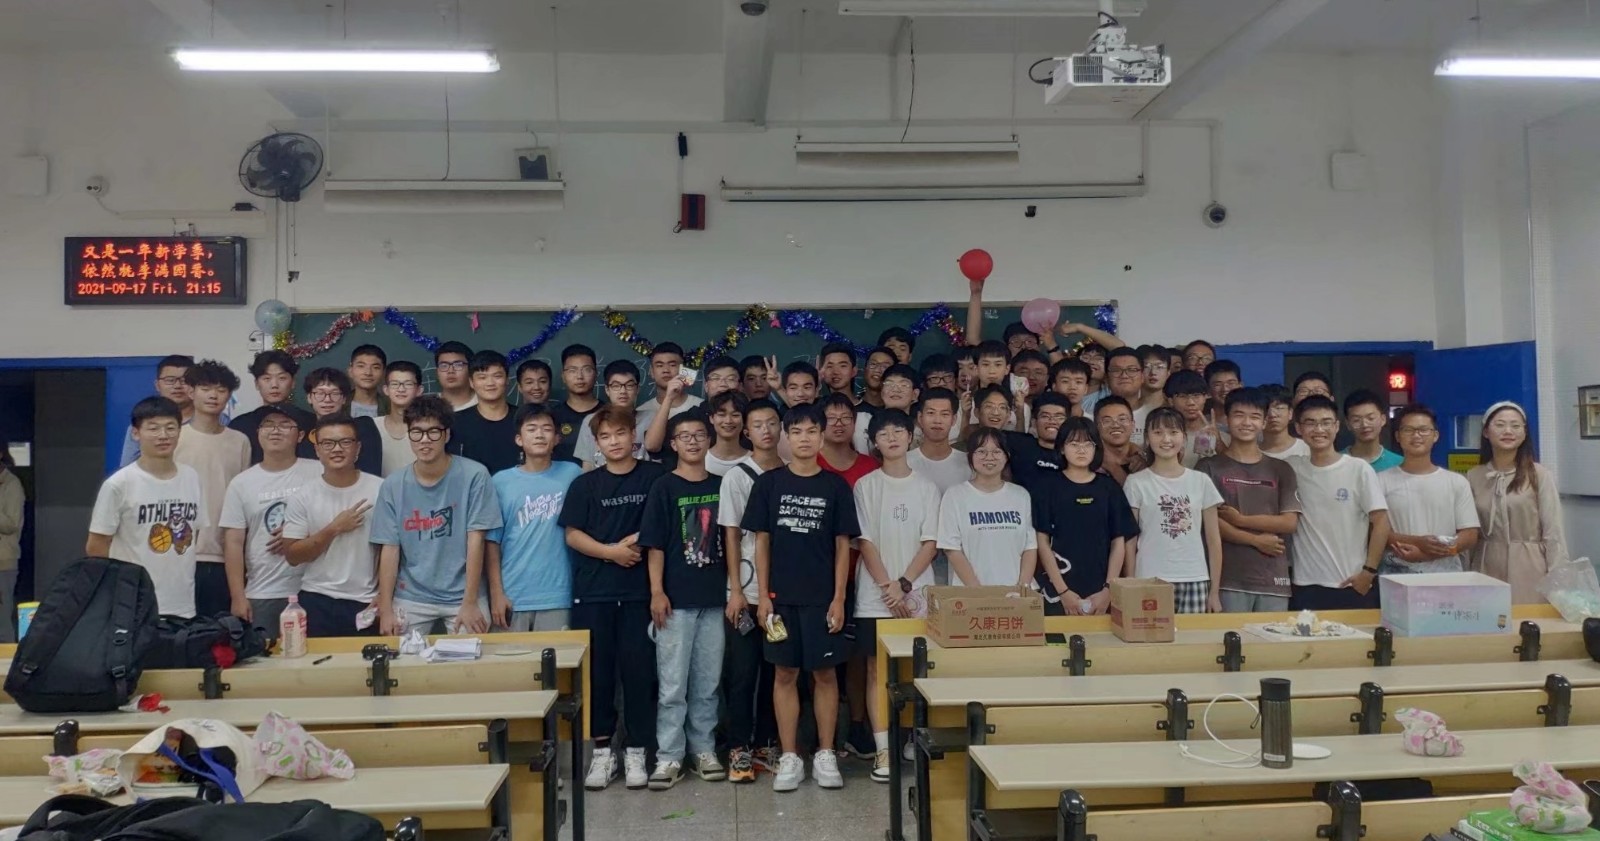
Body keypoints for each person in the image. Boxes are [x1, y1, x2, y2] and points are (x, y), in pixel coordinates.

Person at [743, 402, 859, 792]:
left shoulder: (835, 487)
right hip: (780, 599)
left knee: (825, 675)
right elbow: (761, 543)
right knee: (784, 673)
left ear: (822, 437)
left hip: (822, 599)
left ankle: (825, 753)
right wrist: (763, 596)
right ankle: (790, 755)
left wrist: (839, 598)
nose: (804, 439)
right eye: (797, 432)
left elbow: (843, 546)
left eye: (812, 431)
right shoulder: (769, 484)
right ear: (786, 438)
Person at [560, 405, 667, 791]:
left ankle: (637, 750)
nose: (614, 442)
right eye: (605, 436)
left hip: (640, 595)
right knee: (598, 676)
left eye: (620, 433)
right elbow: (572, 534)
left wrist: (637, 541)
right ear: (597, 443)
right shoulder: (584, 485)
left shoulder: (655, 477)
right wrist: (611, 553)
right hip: (594, 594)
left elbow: (663, 521)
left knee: (640, 674)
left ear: (633, 436)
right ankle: (603, 752)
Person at [640, 411, 728, 789]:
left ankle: (703, 750)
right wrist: (657, 592)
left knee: (707, 683)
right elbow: (655, 545)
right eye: (684, 436)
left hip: (715, 600)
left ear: (709, 440)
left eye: (699, 435)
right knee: (673, 685)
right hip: (675, 602)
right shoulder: (664, 486)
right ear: (673, 444)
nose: (692, 441)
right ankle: (669, 756)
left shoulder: (724, 485)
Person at [852, 409, 939, 782]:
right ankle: (883, 749)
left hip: (916, 592)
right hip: (874, 595)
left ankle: (912, 738)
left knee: (916, 667)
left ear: (910, 436)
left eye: (898, 431)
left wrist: (903, 584)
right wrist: (888, 586)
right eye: (884, 433)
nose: (892, 437)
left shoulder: (927, 487)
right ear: (874, 441)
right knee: (876, 669)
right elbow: (865, 540)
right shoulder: (865, 486)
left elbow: (931, 542)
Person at [373, 395, 501, 636]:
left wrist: (470, 601)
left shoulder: (474, 476)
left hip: (463, 594)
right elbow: (390, 548)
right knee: (401, 656)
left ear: (447, 434)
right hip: (411, 594)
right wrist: (386, 607)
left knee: (472, 656)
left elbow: (476, 541)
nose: (424, 440)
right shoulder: (393, 485)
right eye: (416, 432)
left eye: (433, 432)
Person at [88, 397, 207, 617]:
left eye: (170, 427)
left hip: (182, 603)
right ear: (136, 433)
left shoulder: (191, 477)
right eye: (153, 428)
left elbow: (193, 534)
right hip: (133, 604)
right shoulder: (119, 484)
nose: (163, 435)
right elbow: (96, 546)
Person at [718, 400, 783, 784]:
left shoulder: (791, 472)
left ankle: (766, 745)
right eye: (758, 425)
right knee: (742, 673)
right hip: (745, 589)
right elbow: (730, 534)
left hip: (782, 592)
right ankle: (739, 747)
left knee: (778, 671)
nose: (766, 431)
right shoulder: (737, 476)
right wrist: (736, 591)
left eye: (772, 423)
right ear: (746, 431)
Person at [1194, 388, 1301, 613]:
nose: (1246, 423)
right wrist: (1255, 540)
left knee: (1272, 636)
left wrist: (1241, 520)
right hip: (1227, 579)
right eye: (1239, 415)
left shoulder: (1281, 469)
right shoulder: (1208, 467)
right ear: (1227, 419)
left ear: (1264, 422)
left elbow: (1289, 523)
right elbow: (1208, 522)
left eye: (1254, 417)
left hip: (1274, 579)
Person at [280, 414, 385, 637]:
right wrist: (334, 528)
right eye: (328, 443)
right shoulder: (303, 496)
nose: (337, 449)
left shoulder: (381, 490)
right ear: (317, 450)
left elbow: (394, 549)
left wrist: (385, 595)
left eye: (345, 442)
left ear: (358, 448)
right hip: (316, 599)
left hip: (366, 600)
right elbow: (292, 555)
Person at [220, 405, 320, 635]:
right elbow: (233, 542)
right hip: (263, 591)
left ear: (300, 436)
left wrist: (299, 532)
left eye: (285, 425)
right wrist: (238, 596)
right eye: (268, 425)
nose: (275, 431)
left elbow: (336, 518)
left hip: (312, 589)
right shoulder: (241, 483)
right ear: (258, 433)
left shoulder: (318, 472)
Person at [486, 402, 582, 632]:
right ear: (519, 439)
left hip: (559, 594)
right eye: (531, 429)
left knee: (558, 656)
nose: (539, 434)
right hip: (512, 594)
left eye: (546, 429)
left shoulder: (573, 474)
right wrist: (497, 593)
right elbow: (492, 543)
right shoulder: (500, 482)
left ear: (557, 438)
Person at [1287, 395, 1390, 610]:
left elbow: (1381, 522)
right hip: (1304, 583)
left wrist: (1369, 572)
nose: (1319, 429)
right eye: (1310, 423)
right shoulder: (1291, 468)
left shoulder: (1358, 469)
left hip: (1351, 583)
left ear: (1336, 426)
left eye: (1326, 422)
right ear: (1298, 428)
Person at [1032, 417, 1138, 616]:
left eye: (1088, 444)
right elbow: (1042, 541)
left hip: (1101, 588)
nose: (1081, 450)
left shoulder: (1109, 487)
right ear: (1062, 448)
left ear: (1096, 448)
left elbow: (1118, 541)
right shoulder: (1047, 487)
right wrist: (1063, 592)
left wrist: (1109, 589)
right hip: (1059, 588)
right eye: (1074, 444)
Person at [1123, 407, 1225, 614]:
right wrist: (1131, 583)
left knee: (1192, 636)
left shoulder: (1200, 481)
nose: (1166, 439)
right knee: (1150, 636)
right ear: (1147, 438)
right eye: (1158, 433)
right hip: (1149, 579)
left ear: (1184, 438)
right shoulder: (1135, 482)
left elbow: (1214, 540)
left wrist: (1214, 591)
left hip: (1195, 578)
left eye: (1173, 432)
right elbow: (1130, 541)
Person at [175, 360, 251, 617]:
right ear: (190, 391)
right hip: (180, 554)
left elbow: (243, 499)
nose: (213, 395)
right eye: (205, 388)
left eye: (221, 389)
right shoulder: (175, 438)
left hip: (225, 556)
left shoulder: (240, 441)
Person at [1468, 402, 1566, 603]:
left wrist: (1559, 579)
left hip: (1531, 565)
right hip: (1486, 564)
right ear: (1486, 432)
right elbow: (1469, 532)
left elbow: (1553, 531)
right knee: (1490, 618)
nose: (1508, 431)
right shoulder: (1474, 476)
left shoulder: (1539, 475)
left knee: (1528, 618)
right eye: (1500, 425)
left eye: (1515, 426)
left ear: (1524, 433)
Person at [1380, 404, 1481, 576]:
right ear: (1397, 436)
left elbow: (1470, 534)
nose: (1416, 435)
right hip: (1396, 575)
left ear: (1435, 436)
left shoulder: (1456, 482)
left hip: (1446, 576)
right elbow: (1375, 532)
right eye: (1408, 430)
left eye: (1423, 430)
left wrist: (1427, 554)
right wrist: (1418, 542)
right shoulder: (1380, 480)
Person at [938, 428, 1037, 588]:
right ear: (970, 456)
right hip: (970, 593)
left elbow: (1030, 547)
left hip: (1016, 594)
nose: (989, 457)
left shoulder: (1021, 495)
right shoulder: (955, 495)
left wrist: (1022, 589)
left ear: (1007, 456)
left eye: (997, 452)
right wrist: (980, 593)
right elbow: (951, 548)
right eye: (981, 451)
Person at [230, 351, 313, 466]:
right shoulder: (239, 426)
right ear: (257, 384)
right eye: (267, 378)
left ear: (293, 382)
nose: (274, 385)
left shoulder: (310, 422)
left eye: (282, 378)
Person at [302, 368, 384, 477]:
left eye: (335, 393)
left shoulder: (363, 428)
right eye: (320, 393)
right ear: (309, 398)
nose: (327, 399)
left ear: (344, 398)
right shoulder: (303, 434)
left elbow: (370, 473)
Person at [451, 350, 521, 474]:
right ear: (471, 382)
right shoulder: (456, 422)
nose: (490, 383)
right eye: (482, 377)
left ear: (507, 380)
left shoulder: (524, 419)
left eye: (497, 376)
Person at [120, 355, 195, 467]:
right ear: (157, 385)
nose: (177, 386)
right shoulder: (142, 425)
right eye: (170, 380)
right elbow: (129, 467)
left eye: (185, 381)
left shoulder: (216, 421)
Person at [576, 361, 647, 468]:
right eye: (616, 386)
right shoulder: (591, 421)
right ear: (607, 390)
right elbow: (588, 466)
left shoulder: (652, 419)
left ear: (637, 389)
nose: (623, 391)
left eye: (629, 385)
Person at [640, 343, 705, 459]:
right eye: (659, 365)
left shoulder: (700, 406)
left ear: (683, 370)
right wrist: (669, 398)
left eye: (672, 365)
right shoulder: (642, 411)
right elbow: (651, 447)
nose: (666, 370)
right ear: (651, 372)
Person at [908, 389, 972, 495]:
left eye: (944, 414)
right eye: (931, 413)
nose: (937, 420)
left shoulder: (968, 463)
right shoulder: (905, 463)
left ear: (954, 420)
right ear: (920, 418)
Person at [1005, 394, 1069, 493]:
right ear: (1034, 422)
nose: (1052, 421)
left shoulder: (1074, 454)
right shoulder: (1019, 443)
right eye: (1045, 416)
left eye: (1059, 417)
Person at [853, 365, 919, 454]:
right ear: (881, 391)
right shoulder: (863, 422)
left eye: (904, 385)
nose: (895, 389)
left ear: (915, 394)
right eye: (889, 384)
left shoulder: (923, 431)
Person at [551, 344, 600, 463]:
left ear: (596, 374)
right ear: (563, 376)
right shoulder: (552, 416)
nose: (579, 376)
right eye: (572, 370)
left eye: (586, 369)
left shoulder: (608, 413)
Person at [1165, 370, 1224, 467]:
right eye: (1182, 396)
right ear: (1170, 401)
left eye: (1196, 395)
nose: (1191, 402)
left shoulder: (1223, 438)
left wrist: (1218, 443)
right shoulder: (1164, 438)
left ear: (1205, 397)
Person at [380, 361, 424, 477]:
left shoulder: (428, 429)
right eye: (394, 384)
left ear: (419, 390)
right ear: (386, 389)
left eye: (408, 384)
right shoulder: (372, 426)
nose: (401, 389)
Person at [1343, 390, 1403, 473]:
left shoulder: (1400, 464)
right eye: (1356, 420)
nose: (1364, 425)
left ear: (1383, 419)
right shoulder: (1336, 462)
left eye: (1370, 418)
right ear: (1348, 424)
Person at [1093, 396, 1148, 485]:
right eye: (1107, 421)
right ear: (1096, 427)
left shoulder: (1145, 460)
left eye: (1122, 419)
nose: (1116, 425)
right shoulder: (1090, 462)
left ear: (1133, 425)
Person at [0, 446, 23, 641]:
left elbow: (11, 524)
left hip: (3, 562)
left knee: (2, 619)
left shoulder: (12, 485)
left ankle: (6, 656)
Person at [1098, 348, 1148, 425]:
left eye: (1131, 370)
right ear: (1106, 378)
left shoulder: (1155, 415)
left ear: (1142, 376)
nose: (1124, 376)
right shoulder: (1096, 416)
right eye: (1116, 370)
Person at [706, 391, 750, 477]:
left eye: (735, 415)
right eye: (721, 415)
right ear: (711, 418)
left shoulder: (755, 461)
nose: (728, 421)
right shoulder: (700, 459)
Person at [1259, 384, 1310, 460]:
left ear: (1290, 413)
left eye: (1279, 408)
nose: (1272, 414)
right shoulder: (1250, 452)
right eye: (1266, 409)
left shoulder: (1307, 450)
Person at [434, 341, 477, 411]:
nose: (450, 371)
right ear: (437, 372)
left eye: (458, 365)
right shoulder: (428, 407)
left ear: (471, 369)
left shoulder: (485, 403)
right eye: (444, 366)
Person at [347, 345, 387, 418]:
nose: (368, 373)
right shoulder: (338, 404)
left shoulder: (391, 408)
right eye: (361, 366)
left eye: (375, 367)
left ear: (383, 373)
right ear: (350, 370)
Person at [1137, 345, 1171, 411]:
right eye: (1146, 366)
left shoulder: (1175, 408)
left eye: (1159, 367)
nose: (1153, 372)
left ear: (1168, 373)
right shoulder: (1126, 408)